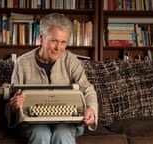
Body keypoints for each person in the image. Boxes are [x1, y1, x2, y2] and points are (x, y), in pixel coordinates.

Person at [8, 13, 98, 144]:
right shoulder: (22, 63)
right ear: (41, 38)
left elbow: (87, 89)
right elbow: (11, 99)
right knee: (40, 133)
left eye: (63, 42)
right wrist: (13, 105)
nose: (58, 48)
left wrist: (91, 109)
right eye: (54, 41)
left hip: (67, 119)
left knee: (63, 133)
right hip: (33, 120)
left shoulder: (71, 60)